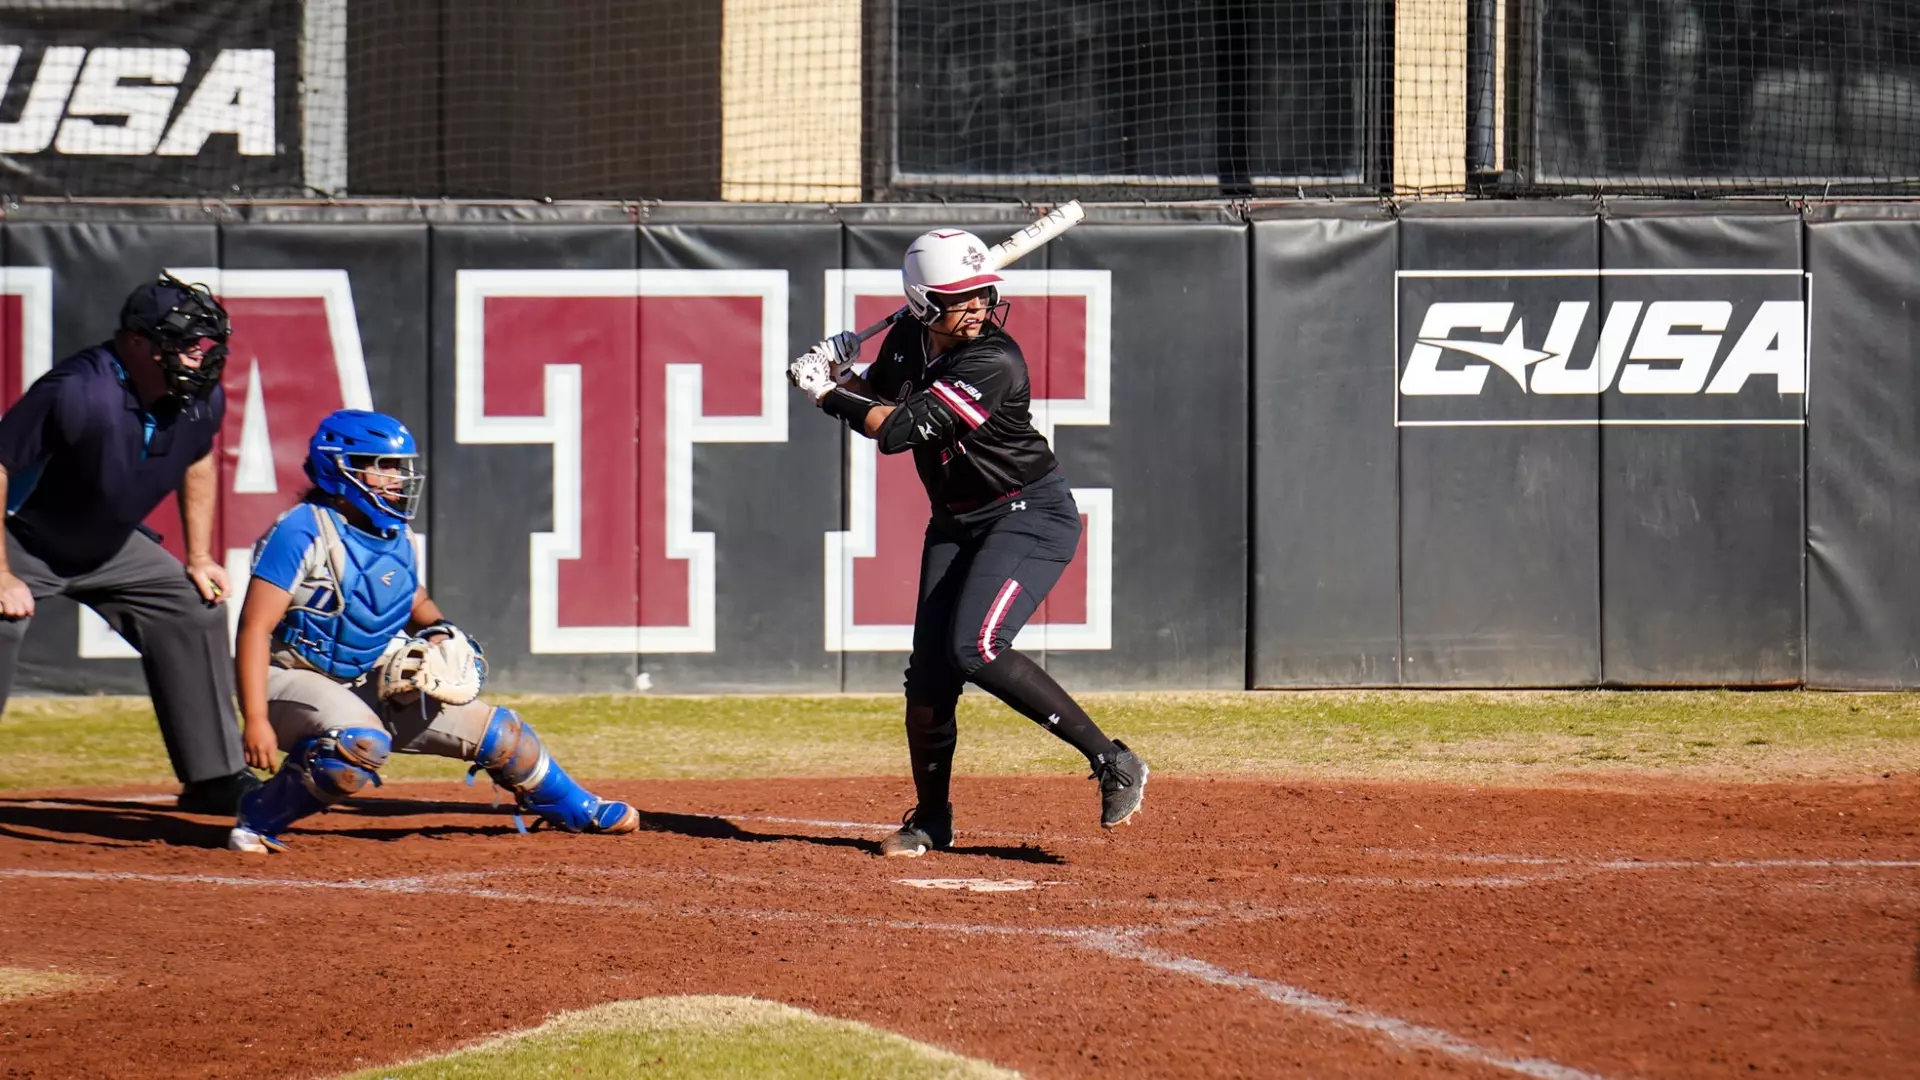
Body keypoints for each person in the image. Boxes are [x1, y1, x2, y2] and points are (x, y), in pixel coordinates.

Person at [788, 227, 1148, 857]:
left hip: (1028, 513)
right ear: (924, 304)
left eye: (984, 293)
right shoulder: (906, 340)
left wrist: (825, 391)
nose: (981, 305)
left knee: (975, 647)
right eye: (965, 296)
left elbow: (899, 430)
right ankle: (931, 819)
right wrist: (845, 369)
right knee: (929, 675)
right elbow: (878, 395)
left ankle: (1112, 760)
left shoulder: (994, 360)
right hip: (955, 520)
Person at [227, 408, 638, 853]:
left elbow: (412, 599)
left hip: (360, 677)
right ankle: (258, 816)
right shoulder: (302, 529)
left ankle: (574, 808)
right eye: (380, 465)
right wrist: (256, 721)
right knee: (360, 743)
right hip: (285, 679)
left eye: (397, 467)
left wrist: (440, 630)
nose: (395, 478)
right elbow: (253, 628)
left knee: (502, 735)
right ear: (338, 469)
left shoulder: (393, 532)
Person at [0, 273, 258, 815]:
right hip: (23, 536)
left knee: (192, 606)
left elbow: (199, 459)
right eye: (183, 343)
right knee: (0, 618)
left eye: (201, 343)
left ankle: (214, 777)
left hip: (109, 543)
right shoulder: (78, 390)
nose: (196, 355)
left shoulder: (197, 395)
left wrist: (200, 557)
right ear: (137, 343)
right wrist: (0, 572)